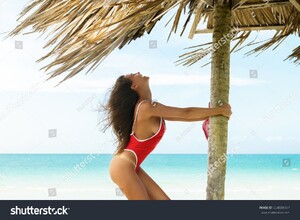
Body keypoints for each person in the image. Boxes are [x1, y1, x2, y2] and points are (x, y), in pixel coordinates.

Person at [102, 72, 232, 200]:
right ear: (134, 86)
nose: (138, 73)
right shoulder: (145, 107)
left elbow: (183, 117)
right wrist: (220, 110)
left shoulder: (147, 107)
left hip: (129, 165)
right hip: (123, 166)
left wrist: (213, 114)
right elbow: (185, 113)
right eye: (133, 75)